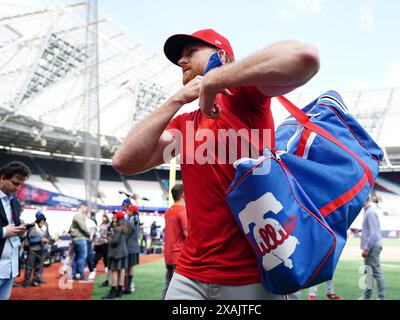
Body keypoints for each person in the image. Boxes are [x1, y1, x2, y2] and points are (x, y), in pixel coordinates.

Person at [112, 29, 319, 299]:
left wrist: (215, 80)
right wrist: (178, 99)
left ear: (221, 55)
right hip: (189, 273)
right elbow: (124, 161)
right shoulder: (184, 125)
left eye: (191, 52)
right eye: (180, 58)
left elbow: (305, 57)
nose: (181, 62)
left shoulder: (247, 97)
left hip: (252, 274)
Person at [0, 161, 30, 300]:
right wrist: (3, 232)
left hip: (10, 267)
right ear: (2, 178)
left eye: (20, 185)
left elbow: (13, 229)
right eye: (15, 183)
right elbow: (5, 230)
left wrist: (20, 231)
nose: (18, 188)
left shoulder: (14, 201)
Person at [160, 184, 187, 300]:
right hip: (179, 255)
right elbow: (187, 234)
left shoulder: (168, 212)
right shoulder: (183, 211)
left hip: (169, 254)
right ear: (183, 194)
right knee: (181, 291)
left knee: (167, 287)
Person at [359, 197, 386, 300]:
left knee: (376, 272)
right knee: (370, 272)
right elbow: (371, 231)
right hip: (373, 245)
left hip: (372, 246)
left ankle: (382, 297)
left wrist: (366, 248)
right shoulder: (368, 211)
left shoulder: (370, 212)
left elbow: (373, 233)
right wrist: (360, 230)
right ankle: (367, 296)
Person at [102, 211, 128, 299]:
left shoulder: (117, 229)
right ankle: (119, 290)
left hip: (116, 253)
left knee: (114, 271)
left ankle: (113, 291)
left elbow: (114, 242)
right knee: (121, 270)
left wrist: (109, 238)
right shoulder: (124, 227)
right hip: (123, 252)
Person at [22, 212, 49, 287]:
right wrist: (40, 239)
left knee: (39, 266)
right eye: (41, 222)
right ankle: (26, 281)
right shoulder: (32, 227)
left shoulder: (45, 227)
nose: (42, 223)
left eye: (44, 222)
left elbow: (47, 236)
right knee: (29, 267)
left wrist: (47, 240)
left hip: (41, 250)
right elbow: (30, 239)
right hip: (32, 250)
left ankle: (36, 280)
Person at [68, 203, 90, 281]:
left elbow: (70, 229)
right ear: (82, 207)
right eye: (86, 208)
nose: (86, 210)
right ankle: (82, 275)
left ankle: (74, 274)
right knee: (82, 257)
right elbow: (83, 227)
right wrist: (89, 234)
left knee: (76, 257)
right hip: (80, 238)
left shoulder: (76, 215)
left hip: (76, 239)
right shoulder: (79, 215)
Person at [123, 205, 140, 294]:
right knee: (130, 268)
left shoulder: (130, 221)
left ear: (132, 211)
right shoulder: (136, 220)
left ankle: (127, 287)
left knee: (126, 268)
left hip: (129, 248)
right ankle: (129, 286)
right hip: (134, 248)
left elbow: (126, 235)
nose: (127, 212)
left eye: (129, 210)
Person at [94, 213, 111, 287]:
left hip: (105, 242)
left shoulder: (109, 225)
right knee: (96, 257)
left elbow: (109, 234)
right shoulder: (101, 225)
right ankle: (93, 269)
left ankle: (106, 268)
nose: (103, 219)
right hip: (98, 243)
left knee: (105, 257)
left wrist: (106, 238)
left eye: (104, 217)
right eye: (102, 217)